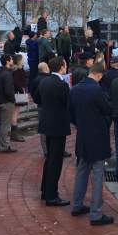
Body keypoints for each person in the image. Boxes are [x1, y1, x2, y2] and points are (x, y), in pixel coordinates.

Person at [69, 62, 115, 226]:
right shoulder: (96, 90)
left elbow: (71, 114)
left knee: (82, 171)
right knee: (97, 174)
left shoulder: (74, 89)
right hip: (97, 137)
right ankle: (96, 214)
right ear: (99, 75)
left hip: (82, 136)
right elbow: (108, 109)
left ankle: (77, 204)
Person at [38, 57, 72, 207]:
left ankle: (46, 191)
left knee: (50, 159)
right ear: (62, 67)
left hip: (46, 124)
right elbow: (68, 103)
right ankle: (52, 195)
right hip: (58, 126)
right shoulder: (61, 84)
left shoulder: (44, 81)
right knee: (55, 161)